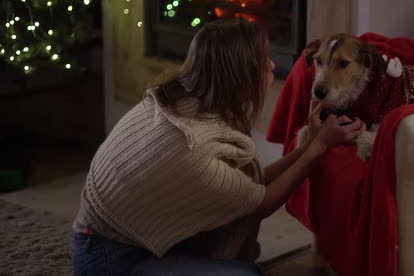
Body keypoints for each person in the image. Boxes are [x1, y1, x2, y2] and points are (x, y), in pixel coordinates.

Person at [72, 19, 365, 276]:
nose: (273, 66)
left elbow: (245, 184)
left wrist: (306, 148)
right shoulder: (194, 148)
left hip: (114, 240)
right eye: (263, 62)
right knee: (246, 274)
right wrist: (318, 149)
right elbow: (260, 202)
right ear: (240, 77)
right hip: (111, 262)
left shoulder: (180, 103)